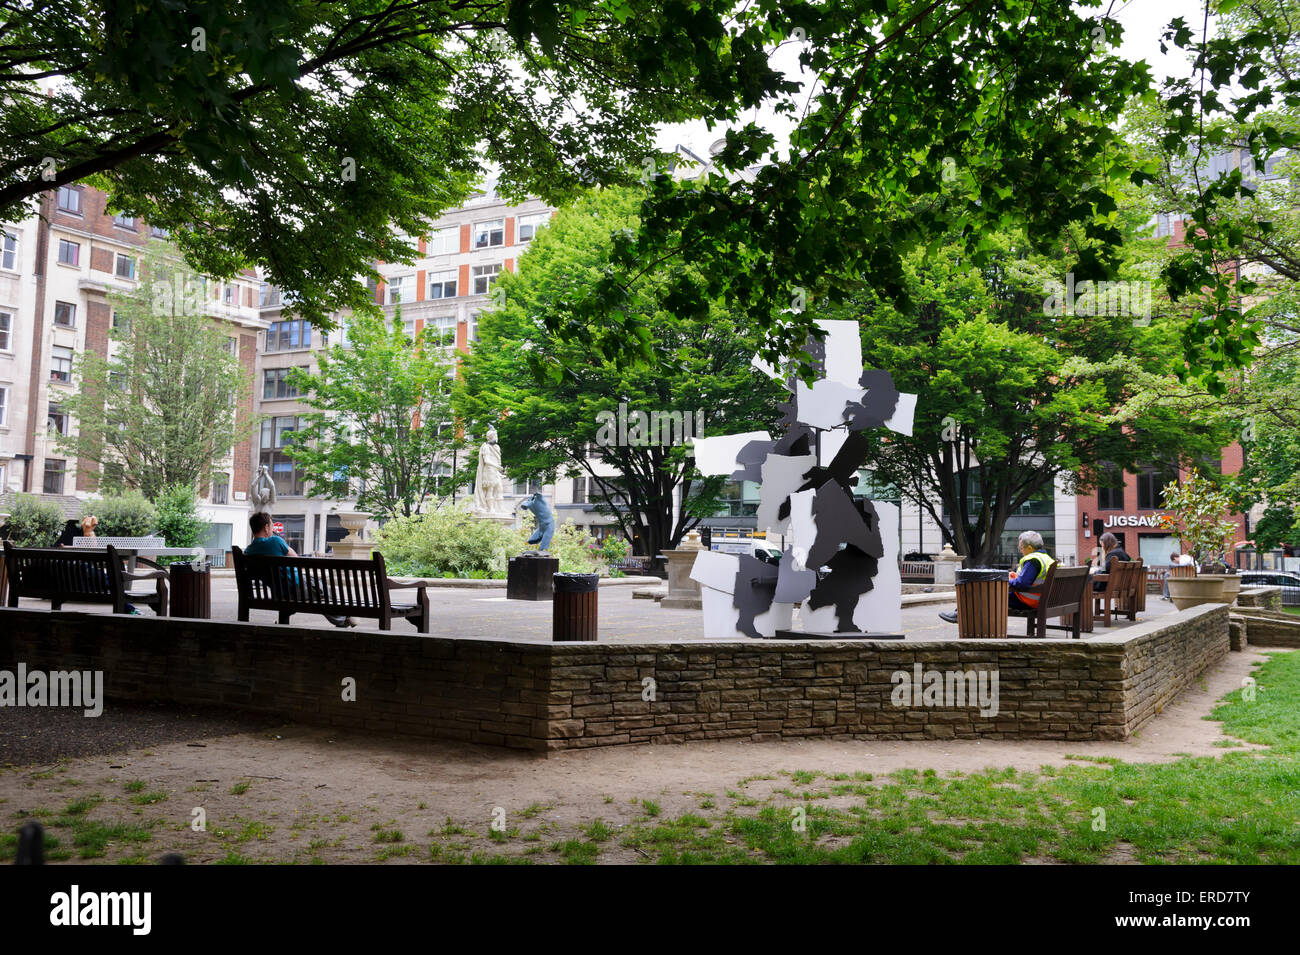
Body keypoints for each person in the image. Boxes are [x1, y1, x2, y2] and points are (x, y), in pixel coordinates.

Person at [244, 512, 356, 628]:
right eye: (272, 525)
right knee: (324, 591)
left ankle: (343, 618)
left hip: (279, 593)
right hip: (297, 588)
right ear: (266, 527)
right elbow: (297, 560)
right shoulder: (275, 541)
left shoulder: (248, 551)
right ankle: (343, 619)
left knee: (321, 594)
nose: (273, 529)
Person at [939, 531, 1056, 623]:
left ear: (1030, 548)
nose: (1020, 551)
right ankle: (964, 617)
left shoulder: (1033, 560)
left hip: (1027, 601)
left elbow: (1022, 584)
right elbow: (1031, 579)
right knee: (987, 593)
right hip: (1041, 599)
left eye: (1021, 548)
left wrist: (1006, 580)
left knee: (983, 594)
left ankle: (960, 615)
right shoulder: (1047, 559)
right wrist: (1015, 577)